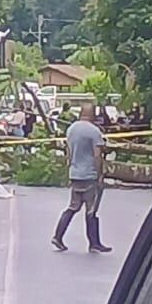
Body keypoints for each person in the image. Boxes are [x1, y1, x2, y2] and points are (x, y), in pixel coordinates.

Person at [52, 102, 111, 254]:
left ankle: (57, 236)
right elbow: (97, 155)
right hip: (89, 175)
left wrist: (69, 168)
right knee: (91, 210)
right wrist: (99, 174)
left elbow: (69, 152)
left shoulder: (71, 129)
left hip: (75, 173)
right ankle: (94, 243)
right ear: (92, 115)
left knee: (73, 206)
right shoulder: (94, 131)